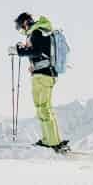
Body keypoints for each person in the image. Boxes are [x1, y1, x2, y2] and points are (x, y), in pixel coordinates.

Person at [11, 12, 69, 152]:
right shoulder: (42, 31)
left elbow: (35, 51)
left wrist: (18, 50)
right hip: (46, 74)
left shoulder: (36, 32)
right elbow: (39, 52)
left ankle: (52, 142)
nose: (21, 31)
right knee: (44, 108)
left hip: (42, 76)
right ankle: (50, 139)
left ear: (25, 23)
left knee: (43, 108)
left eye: (20, 27)